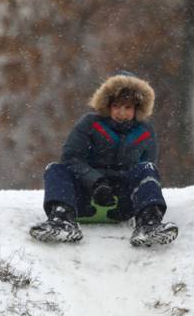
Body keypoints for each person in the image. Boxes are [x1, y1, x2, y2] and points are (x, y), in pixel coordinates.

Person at [30, 73, 178, 247]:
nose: (121, 113)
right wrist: (96, 182)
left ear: (137, 109)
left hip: (122, 203)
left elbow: (146, 169)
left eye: (127, 107)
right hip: (85, 196)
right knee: (55, 169)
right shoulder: (89, 124)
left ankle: (149, 223)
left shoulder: (146, 132)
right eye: (116, 106)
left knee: (148, 169)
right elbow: (71, 158)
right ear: (107, 106)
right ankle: (62, 220)